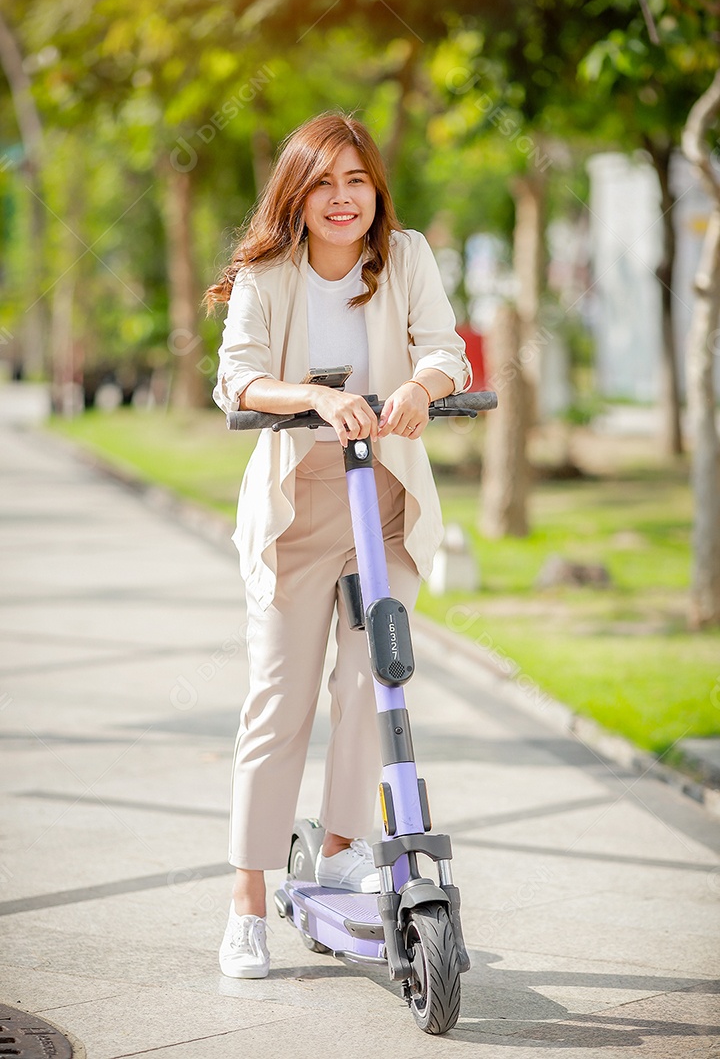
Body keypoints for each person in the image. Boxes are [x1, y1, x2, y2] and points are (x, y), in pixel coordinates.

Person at [206, 112, 471, 979]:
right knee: (280, 696)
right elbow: (236, 376)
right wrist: (316, 400)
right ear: (298, 193)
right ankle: (247, 903)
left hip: (383, 501)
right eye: (324, 182)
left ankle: (345, 847)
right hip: (299, 502)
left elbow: (446, 351)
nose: (343, 198)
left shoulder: (409, 257)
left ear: (376, 190)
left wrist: (423, 389)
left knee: (372, 681)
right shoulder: (267, 274)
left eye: (357, 180)